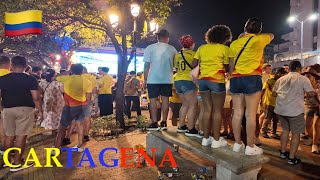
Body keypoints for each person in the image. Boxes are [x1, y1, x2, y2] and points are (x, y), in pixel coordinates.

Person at [229, 18, 274, 155]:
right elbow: (272, 35)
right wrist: (257, 35)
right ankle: (250, 146)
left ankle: (237, 144)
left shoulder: (234, 43)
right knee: (250, 114)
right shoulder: (260, 39)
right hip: (252, 78)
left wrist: (242, 36)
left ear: (244, 28)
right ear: (259, 30)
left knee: (237, 113)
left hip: (235, 78)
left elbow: (230, 64)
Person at [192, 25, 232, 148]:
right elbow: (230, 68)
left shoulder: (202, 48)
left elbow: (193, 64)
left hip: (203, 81)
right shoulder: (225, 49)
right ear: (225, 37)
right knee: (217, 111)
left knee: (207, 109)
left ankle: (205, 138)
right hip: (217, 81)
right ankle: (216, 140)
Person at [0, 56, 42, 171]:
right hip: (25, 109)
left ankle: (6, 161)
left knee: (8, 136)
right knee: (21, 136)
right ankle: (17, 162)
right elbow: (36, 97)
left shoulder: (3, 79)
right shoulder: (31, 79)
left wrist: (2, 107)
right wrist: (40, 110)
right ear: (25, 66)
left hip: (8, 110)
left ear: (11, 65)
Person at [273, 61, 315, 165]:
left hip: (281, 110)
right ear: (298, 68)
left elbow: (274, 93)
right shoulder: (303, 79)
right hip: (295, 111)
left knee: (285, 130)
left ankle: (283, 153)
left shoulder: (281, 79)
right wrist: (312, 92)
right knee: (296, 134)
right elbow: (310, 93)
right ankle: (291, 158)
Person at [143, 29, 177, 130]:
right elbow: (175, 66)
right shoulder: (172, 49)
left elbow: (146, 65)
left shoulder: (150, 48)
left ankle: (154, 122)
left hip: (153, 79)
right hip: (167, 79)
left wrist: (145, 79)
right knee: (165, 100)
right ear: (167, 38)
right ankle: (164, 122)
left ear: (158, 37)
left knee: (153, 100)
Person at [53, 64, 92, 153]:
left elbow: (55, 77)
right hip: (81, 105)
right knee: (80, 125)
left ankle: (56, 148)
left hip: (69, 106)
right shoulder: (87, 81)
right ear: (82, 71)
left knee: (62, 127)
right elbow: (89, 96)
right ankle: (80, 145)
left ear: (71, 70)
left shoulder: (66, 78)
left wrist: (67, 72)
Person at [173, 35, 200, 137]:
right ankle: (191, 128)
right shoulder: (194, 54)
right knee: (193, 105)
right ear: (192, 44)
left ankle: (181, 126)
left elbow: (176, 68)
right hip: (189, 81)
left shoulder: (177, 54)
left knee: (184, 104)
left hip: (178, 80)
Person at [260, 67, 287, 139]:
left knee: (275, 119)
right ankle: (263, 131)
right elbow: (263, 90)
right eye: (282, 74)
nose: (283, 75)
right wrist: (261, 101)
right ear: (278, 73)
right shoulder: (269, 80)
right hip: (269, 103)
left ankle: (273, 133)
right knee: (267, 118)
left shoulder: (283, 82)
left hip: (278, 103)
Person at [39, 69, 64, 135]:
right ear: (54, 75)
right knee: (56, 115)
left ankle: (48, 129)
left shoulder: (42, 83)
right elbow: (63, 91)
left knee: (48, 115)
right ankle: (55, 129)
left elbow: (40, 92)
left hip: (47, 101)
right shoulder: (58, 83)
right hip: (57, 102)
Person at [302, 67, 320, 153]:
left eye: (309, 76)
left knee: (316, 125)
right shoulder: (304, 84)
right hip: (307, 105)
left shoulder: (319, 84)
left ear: (313, 77)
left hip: (318, 106)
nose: (307, 78)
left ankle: (315, 144)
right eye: (306, 76)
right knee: (307, 125)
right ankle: (315, 138)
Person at [82, 67, 97, 141]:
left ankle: (79, 134)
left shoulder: (79, 77)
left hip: (77, 100)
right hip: (89, 100)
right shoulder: (92, 78)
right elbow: (94, 90)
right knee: (87, 117)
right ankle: (86, 135)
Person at [0, 56, 11, 155]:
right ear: (8, 64)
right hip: (5, 107)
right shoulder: (10, 76)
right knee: (5, 131)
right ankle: (5, 152)